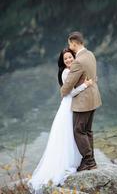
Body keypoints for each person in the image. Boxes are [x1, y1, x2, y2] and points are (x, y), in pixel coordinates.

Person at [27, 48, 93, 193]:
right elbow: (71, 92)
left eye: (70, 57)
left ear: (75, 57)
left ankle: (79, 160)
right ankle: (69, 163)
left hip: (73, 106)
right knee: (69, 134)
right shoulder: (66, 73)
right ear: (63, 62)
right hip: (69, 107)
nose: (69, 60)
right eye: (66, 59)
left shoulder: (75, 69)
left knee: (73, 133)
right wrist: (85, 85)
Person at [61, 31, 102, 171]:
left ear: (74, 43)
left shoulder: (78, 61)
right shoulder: (90, 54)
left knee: (78, 131)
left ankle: (89, 161)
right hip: (94, 98)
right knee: (88, 130)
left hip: (83, 102)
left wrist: (62, 91)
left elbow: (66, 88)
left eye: (70, 44)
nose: (70, 47)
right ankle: (92, 159)